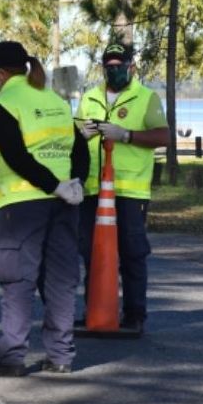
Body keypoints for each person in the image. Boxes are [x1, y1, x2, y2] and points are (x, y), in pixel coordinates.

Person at [0, 41, 89, 377]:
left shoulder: (5, 104)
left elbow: (15, 155)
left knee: (18, 281)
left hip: (23, 203)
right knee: (60, 280)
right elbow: (79, 148)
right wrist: (74, 184)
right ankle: (61, 355)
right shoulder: (54, 100)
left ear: (0, 72)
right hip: (64, 203)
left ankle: (11, 357)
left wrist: (52, 185)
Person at [76, 43, 169, 334]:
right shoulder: (90, 97)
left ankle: (134, 314)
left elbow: (163, 135)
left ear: (131, 67)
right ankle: (96, 309)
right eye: (109, 65)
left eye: (119, 64)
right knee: (92, 251)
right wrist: (79, 132)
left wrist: (126, 134)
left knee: (132, 253)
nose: (114, 70)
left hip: (129, 189)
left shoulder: (145, 98)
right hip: (93, 187)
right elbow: (74, 134)